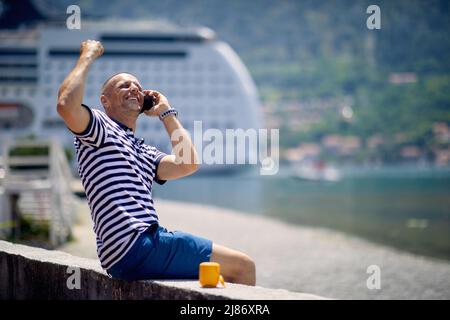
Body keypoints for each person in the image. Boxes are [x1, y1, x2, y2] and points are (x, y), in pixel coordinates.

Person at [57, 40, 256, 285]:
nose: (134, 89)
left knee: (221, 276)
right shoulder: (99, 127)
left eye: (138, 87)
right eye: (124, 85)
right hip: (137, 243)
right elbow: (66, 105)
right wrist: (87, 55)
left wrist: (166, 111)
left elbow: (188, 164)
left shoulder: (142, 149)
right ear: (105, 101)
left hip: (134, 249)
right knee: (244, 267)